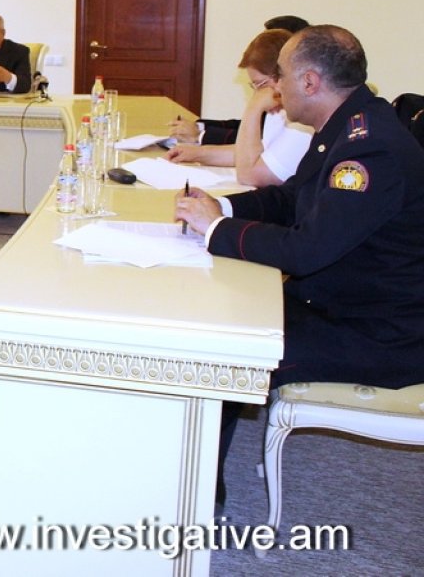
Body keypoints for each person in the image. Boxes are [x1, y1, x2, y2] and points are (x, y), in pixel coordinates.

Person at [174, 25, 424, 508]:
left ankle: (196, 497)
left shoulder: (370, 149)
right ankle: (194, 469)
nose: (276, 88)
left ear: (310, 82)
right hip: (343, 304)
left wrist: (216, 231)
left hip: (378, 332)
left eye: (282, 76)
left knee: (221, 352)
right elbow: (292, 199)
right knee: (217, 320)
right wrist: (221, 208)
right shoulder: (346, 126)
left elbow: (306, 250)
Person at [164, 30, 312, 186]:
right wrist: (197, 154)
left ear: (281, 76)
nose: (257, 92)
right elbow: (255, 152)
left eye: (260, 84)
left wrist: (253, 108)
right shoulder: (278, 110)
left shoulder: (301, 120)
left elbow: (249, 176)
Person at [171, 15, 311, 144]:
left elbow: (256, 143)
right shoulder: (277, 102)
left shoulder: (299, 117)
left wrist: (200, 135)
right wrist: (199, 127)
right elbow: (246, 128)